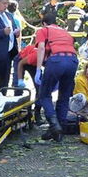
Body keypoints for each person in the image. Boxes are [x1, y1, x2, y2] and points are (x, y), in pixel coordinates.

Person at [35, 12, 79, 141]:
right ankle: (59, 130)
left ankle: (54, 125)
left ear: (44, 23)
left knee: (44, 94)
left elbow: (41, 48)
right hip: (72, 61)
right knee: (64, 95)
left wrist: (38, 69)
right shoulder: (65, 32)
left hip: (57, 60)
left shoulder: (44, 30)